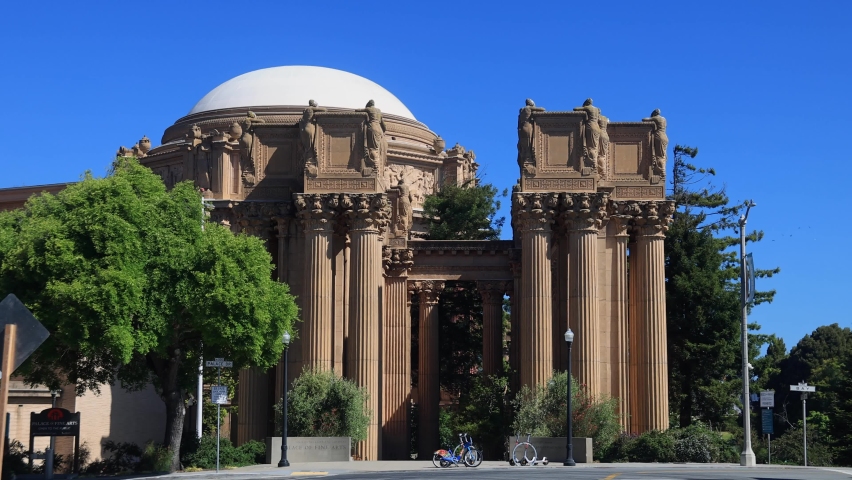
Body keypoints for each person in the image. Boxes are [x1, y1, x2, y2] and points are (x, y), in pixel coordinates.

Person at [357, 100, 388, 171]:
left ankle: (375, 166)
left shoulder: (369, 109)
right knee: (377, 149)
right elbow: (384, 126)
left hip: (373, 127)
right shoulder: (379, 111)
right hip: (379, 129)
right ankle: (376, 164)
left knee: (372, 148)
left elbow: (358, 110)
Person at [574, 98, 601, 169]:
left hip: (590, 126)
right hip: (597, 128)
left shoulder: (588, 107)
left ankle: (594, 163)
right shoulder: (597, 109)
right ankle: (595, 162)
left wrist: (583, 107)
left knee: (591, 147)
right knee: (595, 147)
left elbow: (575, 109)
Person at [517, 99, 545, 167]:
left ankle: (526, 158)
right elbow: (542, 109)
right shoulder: (528, 108)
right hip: (528, 127)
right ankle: (528, 160)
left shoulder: (521, 110)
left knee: (524, 144)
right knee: (529, 143)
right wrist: (534, 107)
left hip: (522, 128)